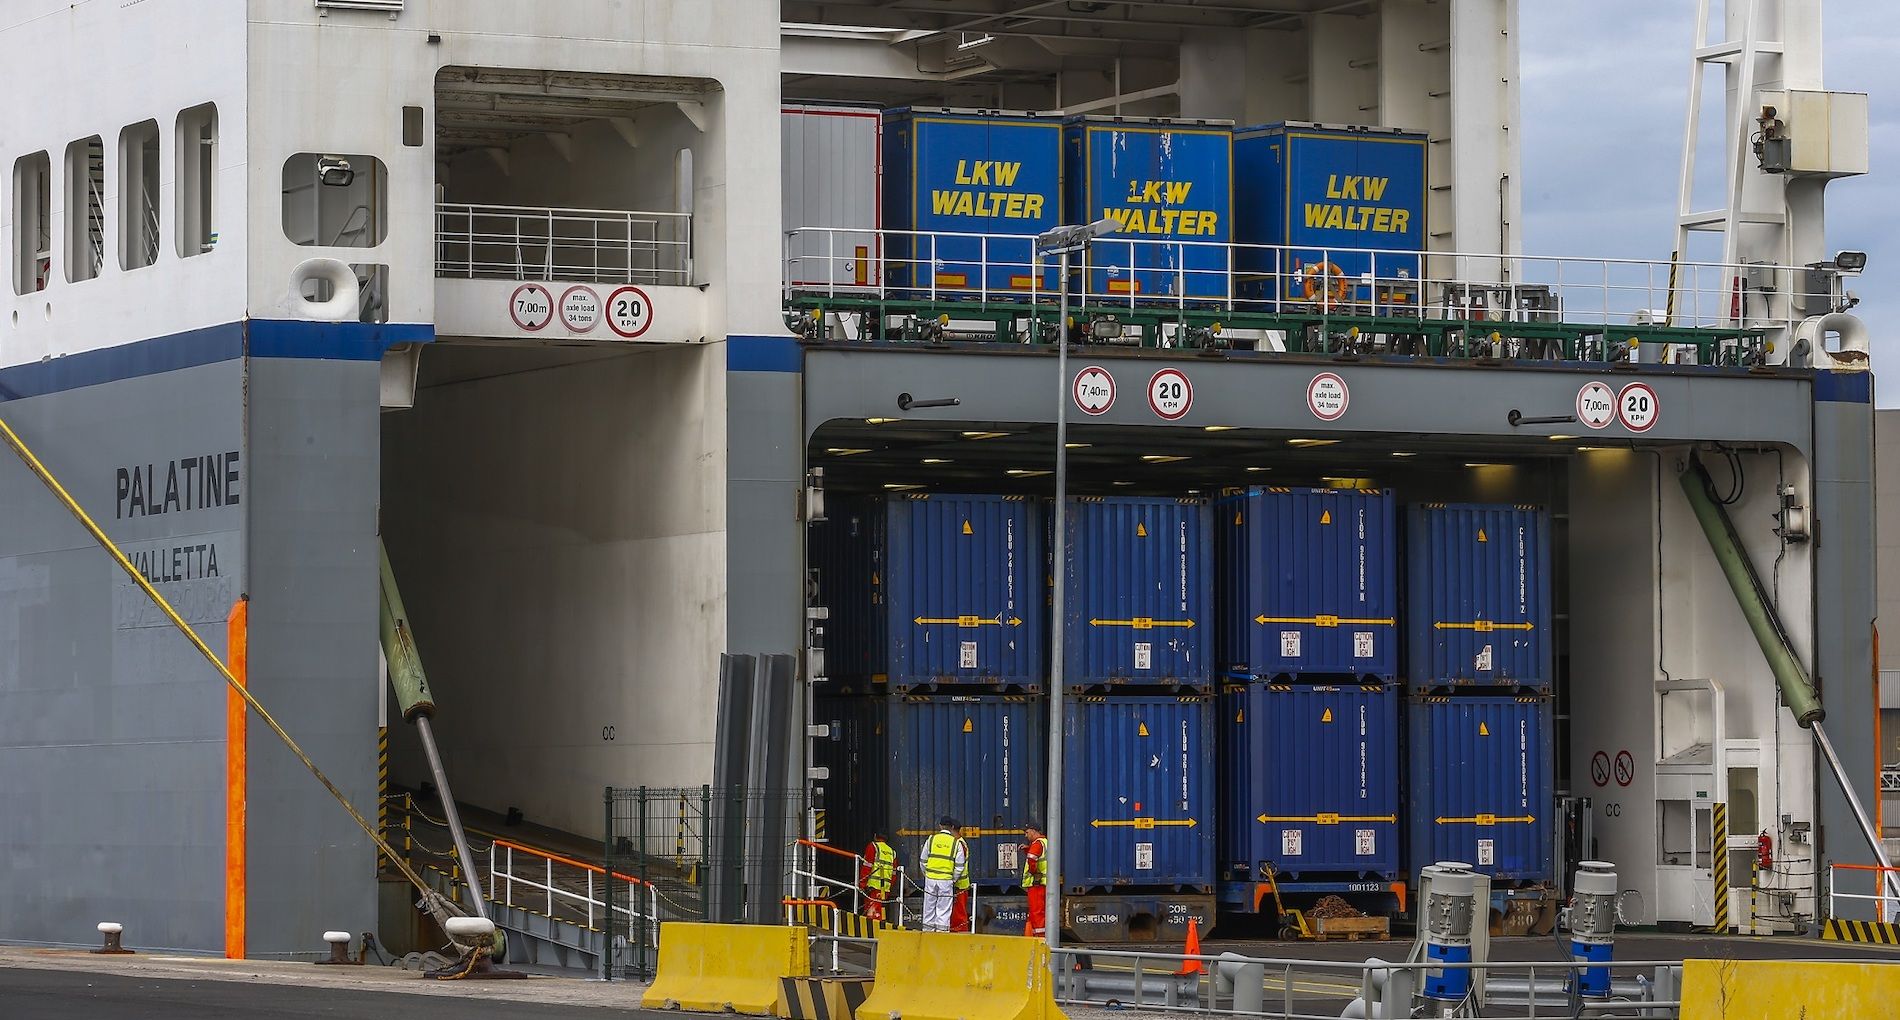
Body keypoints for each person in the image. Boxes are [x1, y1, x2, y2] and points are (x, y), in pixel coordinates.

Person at [919, 816, 965, 932]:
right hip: (946, 880)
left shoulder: (931, 840)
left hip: (930, 879)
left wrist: (927, 874)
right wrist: (952, 879)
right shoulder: (956, 843)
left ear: (940, 826)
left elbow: (923, 861)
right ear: (952, 827)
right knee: (943, 910)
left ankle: (927, 932)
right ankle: (941, 934)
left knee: (929, 907)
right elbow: (959, 866)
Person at [858, 831, 896, 922]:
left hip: (873, 886)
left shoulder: (873, 846)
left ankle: (873, 932)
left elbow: (867, 866)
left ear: (875, 836)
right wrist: (889, 886)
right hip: (885, 887)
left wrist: (862, 883)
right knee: (880, 911)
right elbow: (894, 873)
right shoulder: (892, 852)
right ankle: (881, 928)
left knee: (872, 913)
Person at [1022, 824, 1049, 938]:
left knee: (1036, 913)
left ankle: (1040, 938)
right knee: (1040, 912)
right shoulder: (1045, 842)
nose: (1025, 835)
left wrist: (1033, 872)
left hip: (1036, 884)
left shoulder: (1037, 844)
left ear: (1033, 831)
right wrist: (1028, 849)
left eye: (1027, 832)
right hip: (1044, 883)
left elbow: (1032, 859)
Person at [949, 830, 974, 933]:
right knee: (958, 910)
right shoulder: (961, 843)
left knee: (959, 911)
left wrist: (953, 879)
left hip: (960, 884)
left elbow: (958, 865)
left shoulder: (959, 844)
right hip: (961, 883)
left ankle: (960, 929)